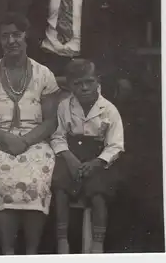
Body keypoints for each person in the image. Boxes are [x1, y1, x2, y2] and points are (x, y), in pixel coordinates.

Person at [0, 12, 60, 255]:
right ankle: (8, 252)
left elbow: (51, 121)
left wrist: (25, 140)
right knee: (3, 178)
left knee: (37, 178)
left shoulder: (44, 74)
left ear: (25, 36)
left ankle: (31, 253)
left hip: (35, 141)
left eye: (16, 35)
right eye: (5, 36)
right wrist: (7, 139)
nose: (11, 41)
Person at [50, 59, 124, 254]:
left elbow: (116, 144)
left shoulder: (108, 109)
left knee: (98, 193)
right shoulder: (64, 107)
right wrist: (69, 158)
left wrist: (98, 162)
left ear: (97, 81)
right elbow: (57, 136)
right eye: (77, 83)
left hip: (98, 158)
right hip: (70, 155)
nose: (84, 88)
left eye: (89, 82)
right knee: (60, 188)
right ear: (69, 85)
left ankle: (97, 244)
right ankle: (62, 241)